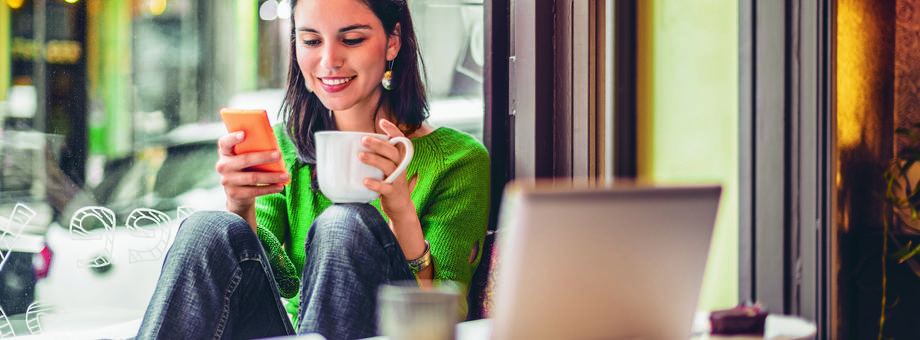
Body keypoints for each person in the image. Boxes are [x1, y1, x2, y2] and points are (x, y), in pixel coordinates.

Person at [135, 0, 490, 339]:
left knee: (344, 223)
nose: (329, 60)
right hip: (288, 331)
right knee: (209, 227)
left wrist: (401, 214)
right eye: (311, 41)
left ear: (392, 42)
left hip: (386, 331)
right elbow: (277, 283)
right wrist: (240, 205)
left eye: (351, 39)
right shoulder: (284, 147)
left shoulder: (457, 160)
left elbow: (441, 318)